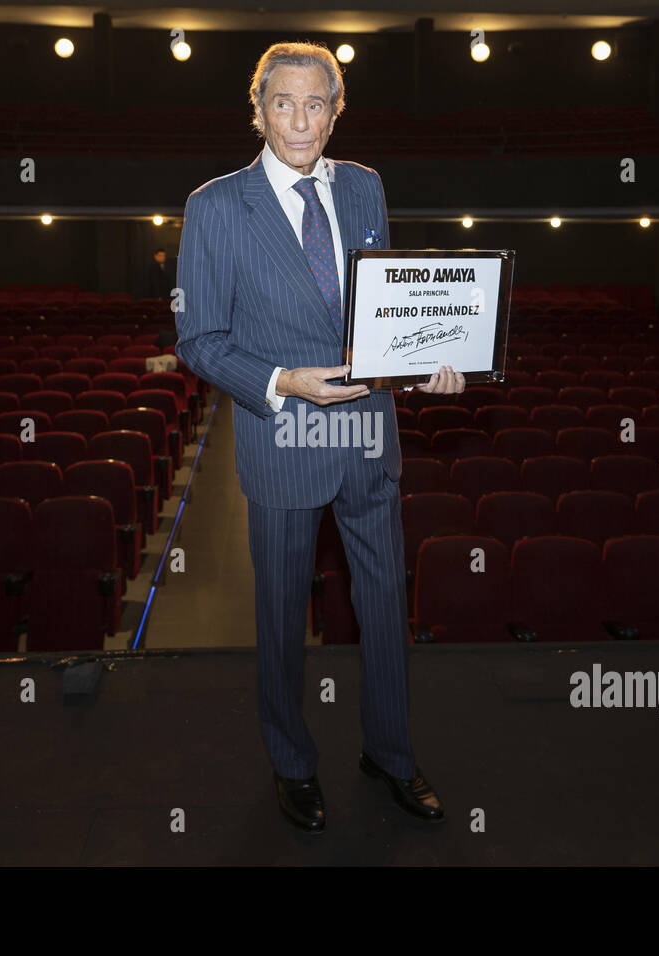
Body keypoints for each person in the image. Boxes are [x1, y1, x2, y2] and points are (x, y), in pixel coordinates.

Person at [174, 41, 464, 832]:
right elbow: (198, 340)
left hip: (372, 438)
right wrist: (282, 382)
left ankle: (392, 755)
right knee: (278, 624)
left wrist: (429, 359)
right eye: (283, 104)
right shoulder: (213, 206)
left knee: (383, 609)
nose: (299, 121)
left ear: (338, 112)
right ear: (257, 109)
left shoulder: (366, 187)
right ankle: (292, 764)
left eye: (316, 105)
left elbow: (387, 312)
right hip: (282, 442)